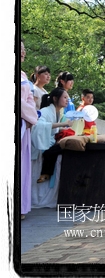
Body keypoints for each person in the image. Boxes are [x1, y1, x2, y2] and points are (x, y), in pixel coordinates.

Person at [30, 88, 74, 208]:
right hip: (41, 144)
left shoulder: (58, 112)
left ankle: (46, 173)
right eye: (64, 97)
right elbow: (39, 126)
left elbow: (52, 129)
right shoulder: (45, 111)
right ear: (55, 98)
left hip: (49, 141)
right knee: (60, 148)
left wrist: (63, 129)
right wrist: (63, 124)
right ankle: (45, 173)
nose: (67, 100)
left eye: (67, 98)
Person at [21, 40, 39, 219]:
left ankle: (20, 207)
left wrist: (29, 118)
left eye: (23, 49)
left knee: (22, 168)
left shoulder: (23, 75)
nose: (22, 52)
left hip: (23, 125)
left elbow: (29, 101)